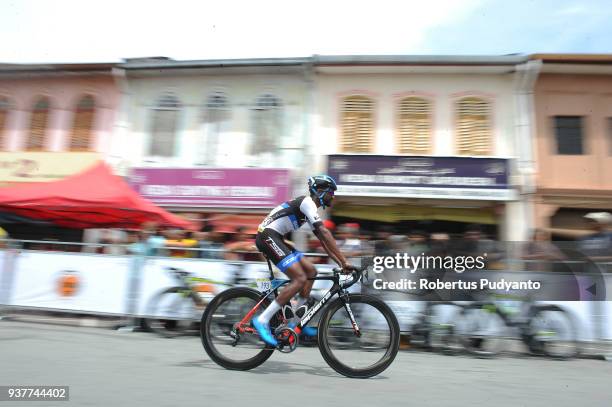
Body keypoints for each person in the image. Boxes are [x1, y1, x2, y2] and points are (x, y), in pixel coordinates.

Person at [252, 175, 357, 346]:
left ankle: (296, 321)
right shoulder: (307, 203)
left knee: (311, 271)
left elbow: (324, 242)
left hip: (277, 238)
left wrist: (340, 263)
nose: (334, 196)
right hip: (267, 236)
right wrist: (344, 261)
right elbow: (325, 233)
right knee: (300, 278)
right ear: (320, 191)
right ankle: (262, 320)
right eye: (331, 192)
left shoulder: (309, 210)